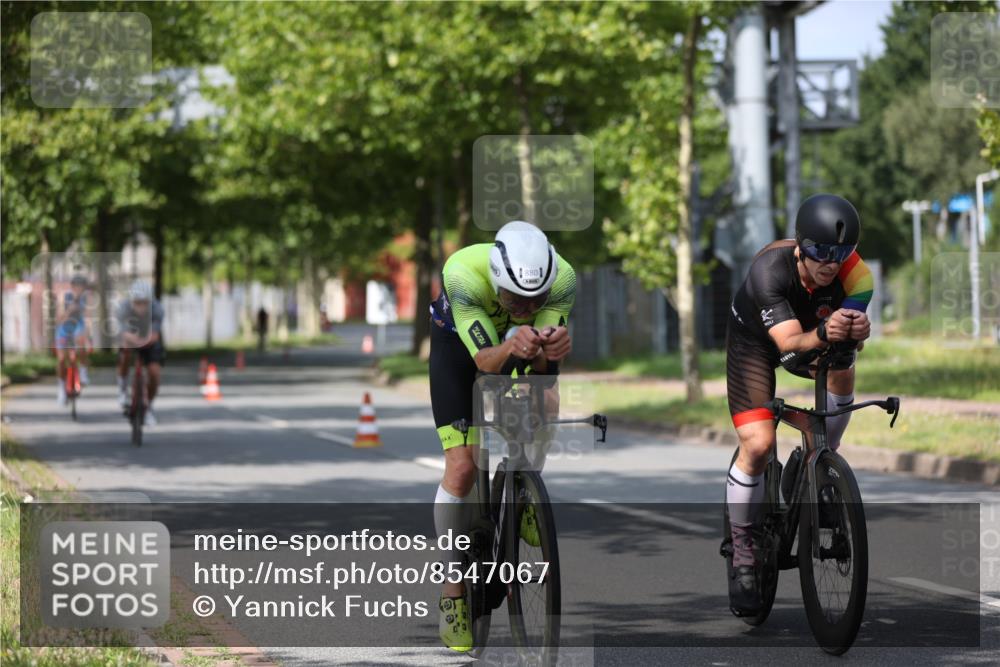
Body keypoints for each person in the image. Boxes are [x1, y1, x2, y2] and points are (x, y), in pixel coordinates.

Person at [428, 221, 576, 652]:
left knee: (544, 400)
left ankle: (526, 488)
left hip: (514, 346)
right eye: (515, 300)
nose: (527, 309)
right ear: (496, 282)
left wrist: (549, 351)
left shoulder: (563, 277)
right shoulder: (462, 274)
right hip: (460, 348)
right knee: (461, 467)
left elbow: (543, 374)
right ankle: (453, 589)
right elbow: (486, 363)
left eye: (537, 300)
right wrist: (514, 346)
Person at [724, 194, 873, 615]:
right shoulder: (768, 272)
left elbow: (851, 336)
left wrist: (858, 328)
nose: (830, 263)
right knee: (756, 444)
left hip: (812, 331)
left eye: (840, 254)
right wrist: (829, 330)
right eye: (819, 253)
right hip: (757, 343)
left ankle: (819, 459)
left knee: (845, 358)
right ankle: (744, 549)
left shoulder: (858, 276)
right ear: (799, 247)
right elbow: (790, 345)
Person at [116, 280, 166, 426]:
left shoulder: (157, 309)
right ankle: (123, 388)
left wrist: (144, 341)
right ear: (131, 301)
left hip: (148, 339)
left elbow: (155, 335)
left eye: (144, 303)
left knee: (154, 373)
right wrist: (133, 340)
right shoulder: (123, 308)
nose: (140, 307)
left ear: (150, 301)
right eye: (137, 303)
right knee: (125, 350)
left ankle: (148, 406)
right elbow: (123, 332)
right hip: (131, 337)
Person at [54, 275, 92, 405]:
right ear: (73, 286)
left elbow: (88, 319)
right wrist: (69, 310)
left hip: (78, 328)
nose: (80, 289)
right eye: (77, 286)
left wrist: (87, 336)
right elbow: (58, 319)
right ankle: (61, 389)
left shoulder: (86, 299)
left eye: (82, 287)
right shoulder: (63, 296)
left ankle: (83, 372)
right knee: (61, 359)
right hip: (63, 329)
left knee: (82, 344)